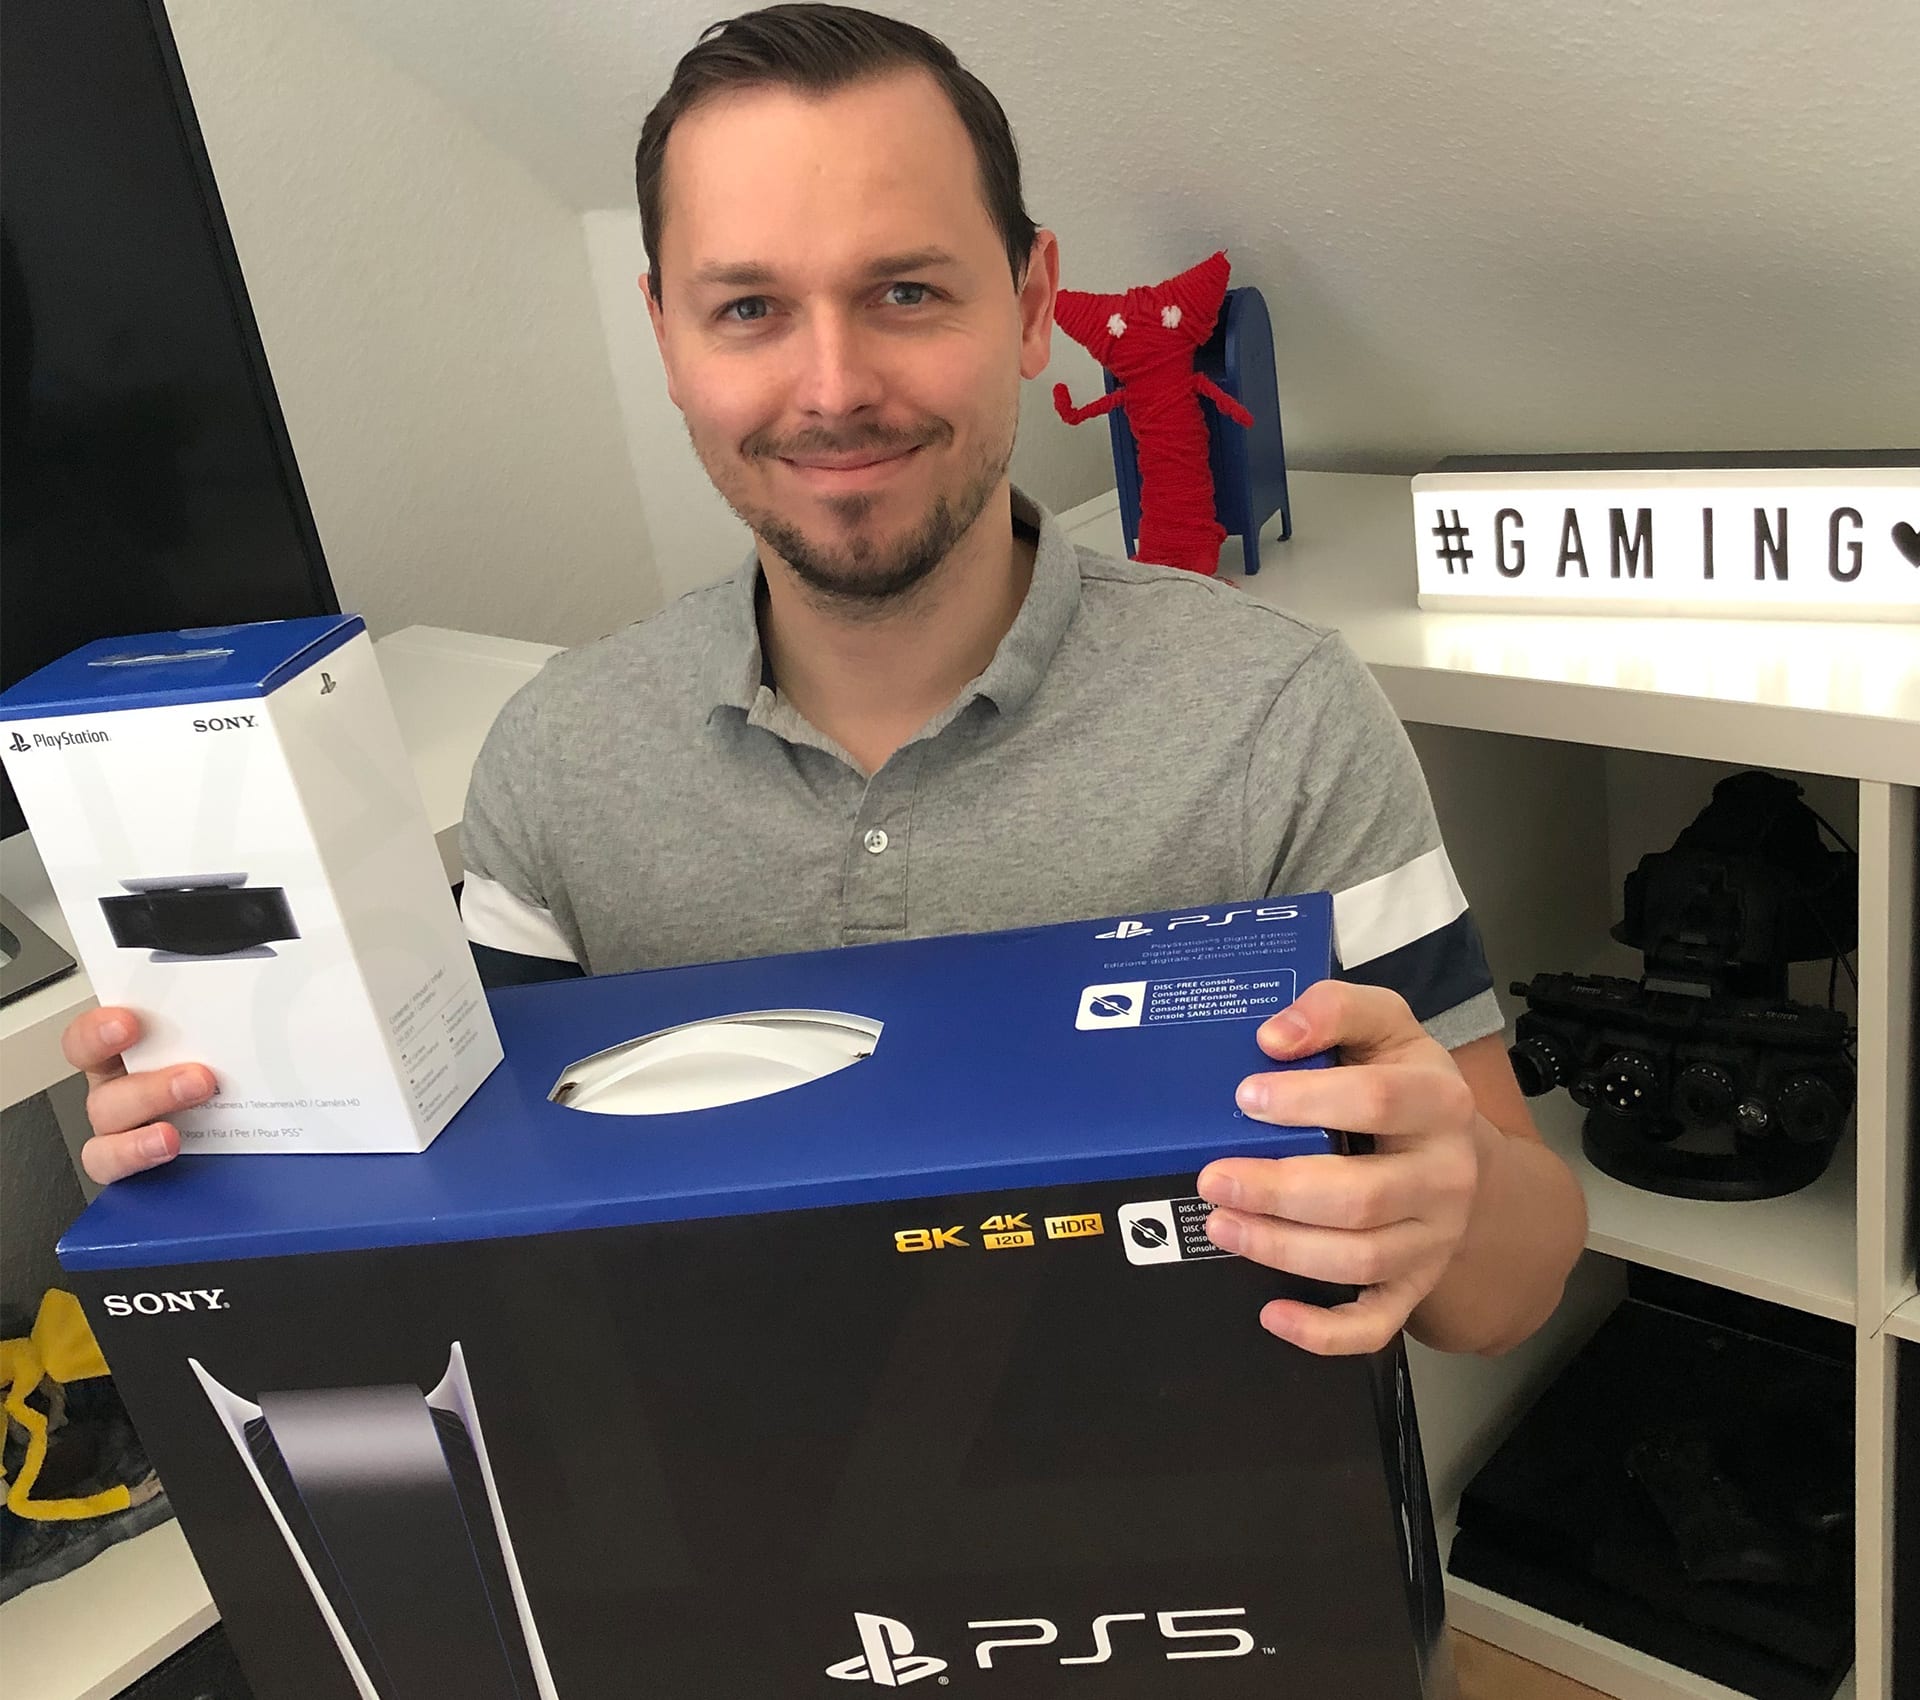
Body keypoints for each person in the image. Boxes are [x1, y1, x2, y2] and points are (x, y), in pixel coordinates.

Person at [62, 4, 1585, 1358]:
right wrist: (244, 1171)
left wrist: (1448, 1197)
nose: (835, 386)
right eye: (749, 309)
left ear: (1033, 302)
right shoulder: (554, 763)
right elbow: (475, 1257)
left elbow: (1503, 1293)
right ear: (667, 336)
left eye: (906, 291)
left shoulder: (1279, 718)